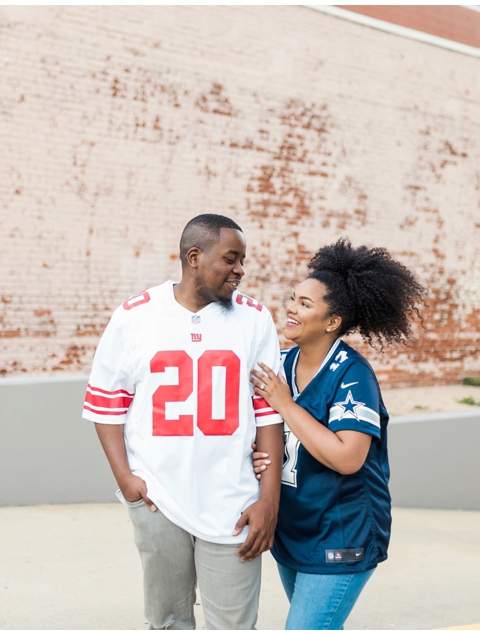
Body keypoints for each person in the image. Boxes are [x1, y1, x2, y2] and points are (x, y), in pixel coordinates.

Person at [83, 214, 285, 630]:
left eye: (242, 260)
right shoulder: (135, 316)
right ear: (194, 257)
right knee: (168, 623)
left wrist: (269, 499)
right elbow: (107, 406)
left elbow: (269, 412)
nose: (240, 270)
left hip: (232, 502)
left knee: (233, 627)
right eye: (230, 258)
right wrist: (126, 480)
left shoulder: (254, 319)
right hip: (157, 499)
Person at [249, 238, 425, 630]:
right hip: (295, 527)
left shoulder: (352, 374)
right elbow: (261, 432)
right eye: (292, 299)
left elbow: (348, 458)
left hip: (341, 532)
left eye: (304, 304)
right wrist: (257, 454)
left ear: (331, 322)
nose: (291, 309)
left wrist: (286, 405)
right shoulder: (281, 364)